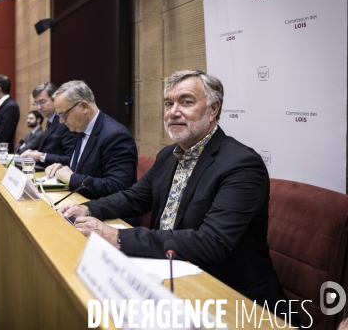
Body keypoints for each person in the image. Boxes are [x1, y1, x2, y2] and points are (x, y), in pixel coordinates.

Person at [58, 70, 298, 326]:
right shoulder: (169, 155)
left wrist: (117, 236)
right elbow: (134, 198)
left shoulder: (241, 164)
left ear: (213, 109)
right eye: (168, 103)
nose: (173, 112)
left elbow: (212, 242)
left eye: (186, 102)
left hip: (229, 295)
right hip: (169, 274)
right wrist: (87, 209)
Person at [44, 80, 137, 199]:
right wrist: (61, 168)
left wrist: (72, 178)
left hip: (109, 215)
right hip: (79, 202)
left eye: (64, 115)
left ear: (84, 107)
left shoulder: (115, 136)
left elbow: (118, 186)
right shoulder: (81, 129)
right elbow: (85, 167)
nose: (61, 121)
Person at [20, 82, 76, 167]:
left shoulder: (64, 122)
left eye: (42, 102)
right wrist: (34, 153)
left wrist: (41, 156)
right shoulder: (50, 121)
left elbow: (71, 159)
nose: (38, 107)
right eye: (35, 103)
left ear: (55, 100)